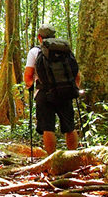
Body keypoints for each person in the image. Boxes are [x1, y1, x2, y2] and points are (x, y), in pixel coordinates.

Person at [23, 24, 81, 154]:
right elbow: (76, 74)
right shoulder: (65, 50)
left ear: (39, 37)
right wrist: (74, 89)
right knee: (70, 126)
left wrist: (30, 86)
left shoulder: (35, 51)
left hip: (44, 92)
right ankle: (73, 157)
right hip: (65, 91)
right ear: (54, 36)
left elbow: (28, 76)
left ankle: (51, 160)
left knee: (47, 127)